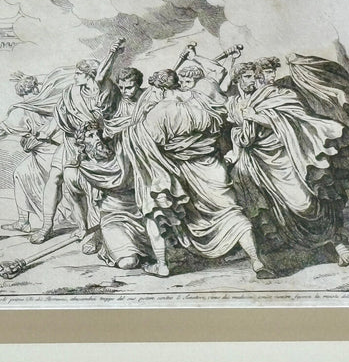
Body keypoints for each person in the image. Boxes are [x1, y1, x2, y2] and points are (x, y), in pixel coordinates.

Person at [126, 68, 267, 278]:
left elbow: (148, 142)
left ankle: (162, 264)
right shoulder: (202, 101)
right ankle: (256, 260)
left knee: (156, 211)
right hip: (212, 168)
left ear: (160, 89)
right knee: (231, 212)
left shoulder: (158, 111)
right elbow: (223, 121)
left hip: (181, 173)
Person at [226, 59, 349, 265]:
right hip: (256, 161)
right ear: (238, 80)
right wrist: (235, 149)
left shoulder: (279, 95)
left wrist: (255, 117)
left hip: (283, 156)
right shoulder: (234, 103)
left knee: (305, 203)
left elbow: (291, 121)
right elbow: (238, 131)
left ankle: (337, 239)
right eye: (252, 76)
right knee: (260, 201)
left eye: (266, 74)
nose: (266, 78)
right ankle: (270, 251)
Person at [29, 41, 125, 244]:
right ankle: (47, 226)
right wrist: (46, 132)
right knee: (55, 178)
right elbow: (59, 116)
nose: (75, 76)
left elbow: (103, 75)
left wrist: (113, 53)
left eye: (79, 73)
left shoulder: (103, 90)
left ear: (89, 75)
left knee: (94, 187)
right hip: (72, 142)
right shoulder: (71, 92)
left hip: (97, 144)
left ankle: (98, 232)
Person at [0, 68, 73, 232]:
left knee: (55, 187)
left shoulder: (32, 106)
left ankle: (53, 224)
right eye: (35, 87)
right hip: (43, 153)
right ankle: (23, 222)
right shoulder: (38, 104)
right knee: (20, 174)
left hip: (53, 154)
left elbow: (1, 131)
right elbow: (3, 130)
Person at [62, 126, 152, 268]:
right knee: (128, 262)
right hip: (112, 219)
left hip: (140, 214)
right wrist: (82, 227)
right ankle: (105, 240)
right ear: (82, 145)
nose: (97, 138)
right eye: (90, 136)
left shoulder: (121, 157)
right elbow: (76, 200)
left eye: (98, 134)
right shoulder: (75, 171)